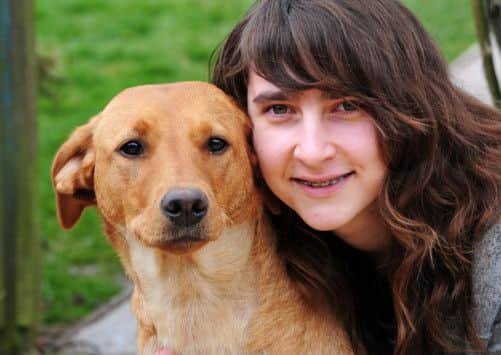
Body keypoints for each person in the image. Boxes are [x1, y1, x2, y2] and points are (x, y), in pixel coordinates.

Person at [155, 0, 500, 354]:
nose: (312, 151)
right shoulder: (258, 242)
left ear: (410, 106)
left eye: (347, 106)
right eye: (279, 110)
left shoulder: (493, 254)